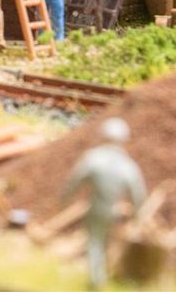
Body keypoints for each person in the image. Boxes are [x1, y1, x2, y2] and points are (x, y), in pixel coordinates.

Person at [63, 117, 147, 290]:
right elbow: (138, 193)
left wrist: (65, 198)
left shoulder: (94, 157)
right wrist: (137, 215)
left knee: (95, 242)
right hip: (114, 211)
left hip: (97, 207)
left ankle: (96, 279)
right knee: (106, 243)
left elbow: (76, 179)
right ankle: (101, 276)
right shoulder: (127, 165)